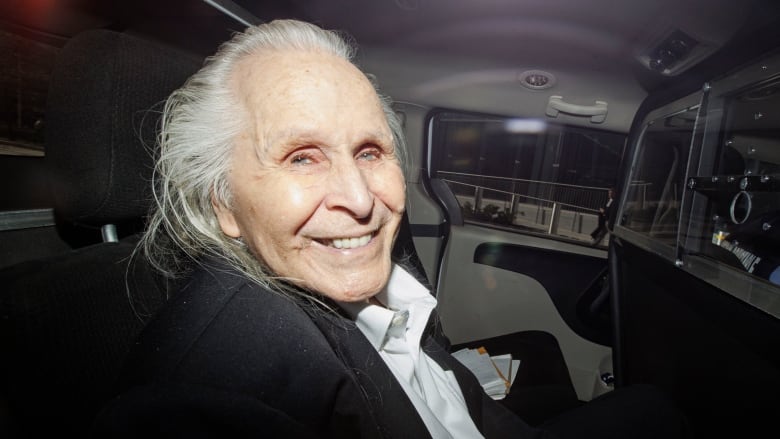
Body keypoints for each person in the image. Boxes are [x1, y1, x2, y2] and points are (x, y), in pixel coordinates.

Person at [92, 20, 688, 438]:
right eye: (302, 156)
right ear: (222, 205)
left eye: (372, 152)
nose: (360, 199)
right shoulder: (218, 383)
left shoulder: (368, 285)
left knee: (659, 407)